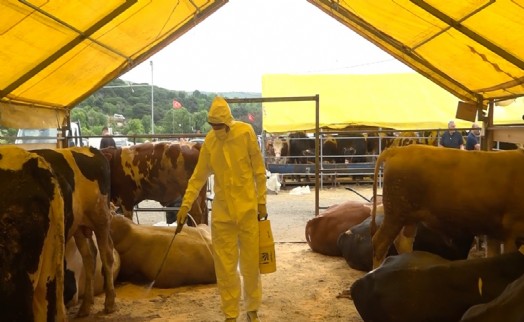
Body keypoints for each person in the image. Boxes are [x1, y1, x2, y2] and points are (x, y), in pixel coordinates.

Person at [176, 96, 267, 322]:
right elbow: (197, 177)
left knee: (250, 264)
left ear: (227, 121)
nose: (216, 129)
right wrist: (185, 205)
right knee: (224, 267)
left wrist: (261, 202)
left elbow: (259, 170)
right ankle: (230, 314)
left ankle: (252, 309)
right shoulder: (210, 142)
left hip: (247, 211)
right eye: (212, 125)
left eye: (219, 125)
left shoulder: (245, 133)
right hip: (223, 214)